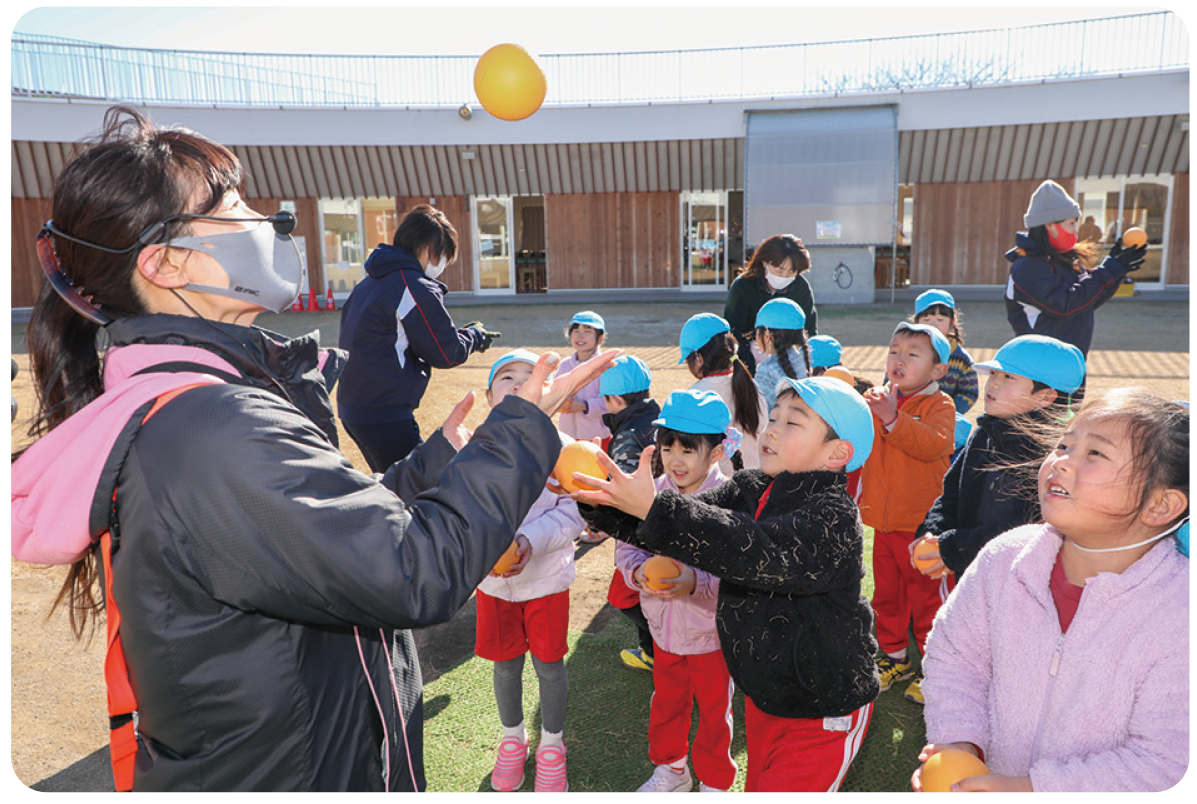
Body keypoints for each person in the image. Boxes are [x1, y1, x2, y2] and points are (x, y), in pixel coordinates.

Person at [9, 105, 619, 793]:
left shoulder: (203, 404)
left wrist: (440, 457)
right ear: (166, 263)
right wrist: (521, 431)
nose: (265, 223)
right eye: (230, 206)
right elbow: (412, 572)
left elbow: (322, 539)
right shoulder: (212, 426)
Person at [572, 376, 880, 792]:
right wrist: (601, 502)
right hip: (768, 694)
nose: (771, 429)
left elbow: (752, 549)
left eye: (793, 422)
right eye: (773, 417)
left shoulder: (833, 517)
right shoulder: (753, 487)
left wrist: (655, 509)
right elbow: (685, 520)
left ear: (836, 453)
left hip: (824, 706)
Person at [915, 389, 1189, 793]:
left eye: (1095, 453)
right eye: (1064, 444)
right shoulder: (1005, 559)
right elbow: (957, 656)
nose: (1060, 461)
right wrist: (958, 740)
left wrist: (1029, 787)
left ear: (1159, 506)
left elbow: (1160, 759)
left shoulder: (1177, 612)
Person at [475, 350, 585, 794]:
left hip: (547, 582)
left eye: (531, 377)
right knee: (505, 666)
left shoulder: (563, 450)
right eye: (508, 378)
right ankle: (512, 740)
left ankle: (552, 746)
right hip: (493, 584)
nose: (521, 384)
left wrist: (527, 540)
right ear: (488, 396)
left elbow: (574, 515)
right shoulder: (472, 448)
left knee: (549, 665)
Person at [619, 390, 736, 793]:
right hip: (664, 631)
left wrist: (695, 583)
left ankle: (716, 780)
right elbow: (627, 548)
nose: (675, 459)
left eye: (688, 449)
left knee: (715, 712)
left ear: (717, 453)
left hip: (711, 636)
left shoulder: (729, 503)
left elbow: (737, 571)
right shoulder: (649, 494)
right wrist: (638, 574)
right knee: (667, 705)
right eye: (668, 448)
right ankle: (673, 770)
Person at [337, 203, 501, 472]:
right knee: (419, 487)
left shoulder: (370, 283)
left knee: (392, 484)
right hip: (385, 410)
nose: (443, 265)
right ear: (429, 249)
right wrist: (474, 336)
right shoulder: (413, 285)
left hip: (354, 407)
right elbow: (446, 353)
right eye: (444, 256)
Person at [916, 335, 1086, 579]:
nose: (992, 384)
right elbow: (951, 494)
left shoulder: (1049, 454)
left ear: (1045, 398)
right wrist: (933, 531)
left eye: (1009, 377)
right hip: (971, 573)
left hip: (1018, 581)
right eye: (993, 374)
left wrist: (956, 547)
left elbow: (1025, 525)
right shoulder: (984, 434)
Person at [859, 322, 956, 705]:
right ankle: (894, 656)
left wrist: (894, 419)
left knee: (929, 599)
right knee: (888, 595)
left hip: (920, 528)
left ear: (937, 371)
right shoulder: (881, 398)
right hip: (883, 525)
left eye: (912, 354)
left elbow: (934, 444)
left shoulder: (939, 405)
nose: (898, 358)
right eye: (894, 350)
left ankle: (937, 667)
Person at [1003, 179, 1146, 357]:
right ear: (1049, 225)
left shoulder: (1065, 259)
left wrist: (1117, 268)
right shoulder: (1027, 267)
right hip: (1040, 365)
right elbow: (1066, 304)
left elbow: (1087, 301)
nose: (1075, 230)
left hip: (1070, 361)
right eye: (1071, 223)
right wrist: (1110, 269)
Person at [597, 355, 662, 671]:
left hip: (639, 532)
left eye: (605, 398)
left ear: (616, 399)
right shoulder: (659, 418)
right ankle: (654, 647)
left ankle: (657, 649)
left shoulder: (626, 436)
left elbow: (622, 490)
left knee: (623, 596)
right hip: (665, 520)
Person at [680, 313, 768, 476]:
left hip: (719, 490)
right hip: (758, 481)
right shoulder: (752, 385)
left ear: (699, 358)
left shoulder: (695, 396)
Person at [723, 234, 818, 374]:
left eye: (791, 272)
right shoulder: (743, 286)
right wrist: (749, 372)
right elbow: (735, 332)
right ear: (764, 262)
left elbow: (809, 331)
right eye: (779, 270)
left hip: (789, 358)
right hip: (752, 354)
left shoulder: (800, 287)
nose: (784, 276)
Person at [912, 289, 978, 414]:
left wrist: (947, 410)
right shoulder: (907, 352)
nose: (933, 325)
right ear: (916, 322)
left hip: (945, 420)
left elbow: (969, 393)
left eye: (940, 320)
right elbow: (891, 382)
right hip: (908, 416)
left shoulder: (961, 358)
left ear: (952, 322)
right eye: (926, 320)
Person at [556, 310, 611, 445]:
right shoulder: (564, 365)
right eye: (576, 331)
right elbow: (555, 391)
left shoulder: (605, 366)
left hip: (597, 436)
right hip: (567, 435)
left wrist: (584, 406)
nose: (580, 336)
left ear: (600, 338)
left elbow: (611, 402)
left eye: (587, 332)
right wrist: (559, 402)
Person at [751, 297, 811, 411]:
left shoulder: (765, 371)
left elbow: (761, 416)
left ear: (768, 336)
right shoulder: (801, 358)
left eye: (757, 332)